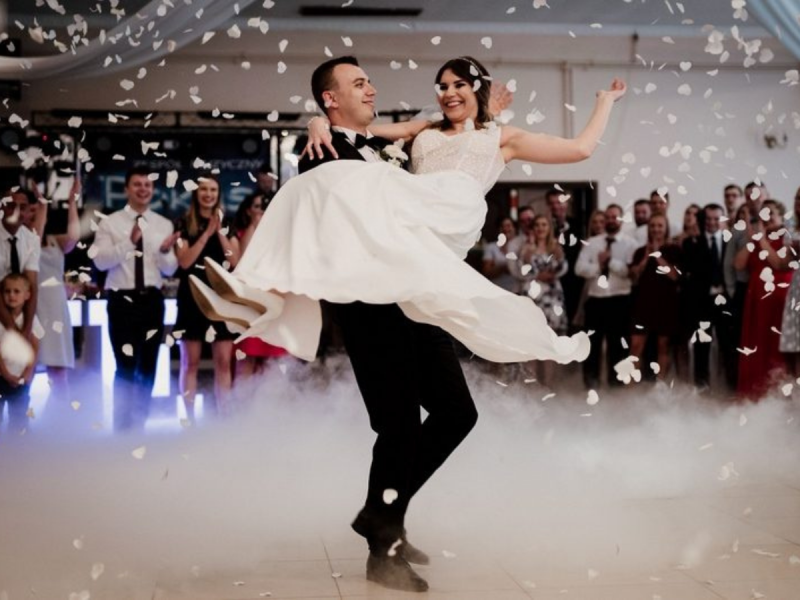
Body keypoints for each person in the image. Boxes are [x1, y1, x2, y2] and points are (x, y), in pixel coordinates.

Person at [192, 55, 625, 592]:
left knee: (456, 412)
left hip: (422, 292)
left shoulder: (396, 147)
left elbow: (568, 147)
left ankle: (383, 514)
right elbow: (326, 212)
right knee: (396, 425)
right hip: (372, 303)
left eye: (459, 84)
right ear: (332, 99)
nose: (372, 89)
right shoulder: (332, 150)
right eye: (359, 83)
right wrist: (316, 124)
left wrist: (597, 103)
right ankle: (384, 546)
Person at [91, 166, 180, 432]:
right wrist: (129, 243)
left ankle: (140, 424)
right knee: (125, 365)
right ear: (127, 189)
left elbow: (170, 269)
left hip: (152, 300)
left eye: (147, 185)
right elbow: (100, 261)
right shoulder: (110, 223)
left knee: (149, 364)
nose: (143, 189)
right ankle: (122, 427)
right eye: (137, 184)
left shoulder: (163, 224)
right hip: (122, 300)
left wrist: (165, 252)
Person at [173, 174, 240, 419]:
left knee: (223, 362)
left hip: (221, 300)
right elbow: (184, 261)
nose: (208, 194)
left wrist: (219, 231)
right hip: (192, 298)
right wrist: (206, 233)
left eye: (213, 189)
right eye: (203, 189)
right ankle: (189, 419)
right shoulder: (183, 222)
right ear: (196, 193)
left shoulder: (228, 222)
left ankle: (225, 418)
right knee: (190, 363)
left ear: (218, 194)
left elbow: (235, 261)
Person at [24, 180, 81, 409]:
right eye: (30, 209)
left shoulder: (54, 240)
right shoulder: (21, 241)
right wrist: (44, 206)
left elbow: (74, 236)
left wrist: (72, 203)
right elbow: (34, 240)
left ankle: (59, 419)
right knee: (26, 370)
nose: (33, 213)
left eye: (36, 209)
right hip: (31, 307)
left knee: (58, 371)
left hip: (55, 307)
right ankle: (22, 419)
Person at [575, 204, 638, 388]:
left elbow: (629, 272)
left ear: (621, 219)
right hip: (596, 299)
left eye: (614, 217)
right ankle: (590, 386)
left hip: (620, 299)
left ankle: (616, 387)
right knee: (592, 346)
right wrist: (598, 266)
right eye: (608, 217)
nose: (611, 220)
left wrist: (610, 262)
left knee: (618, 346)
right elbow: (579, 268)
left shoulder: (630, 244)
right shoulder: (592, 242)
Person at [734, 199, 791, 399]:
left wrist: (762, 240)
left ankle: (778, 392)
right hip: (756, 299)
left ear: (781, 217)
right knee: (756, 344)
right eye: (763, 214)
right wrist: (752, 241)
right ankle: (754, 392)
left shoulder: (786, 236)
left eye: (771, 213)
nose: (766, 218)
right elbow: (739, 265)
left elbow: (778, 262)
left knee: (775, 344)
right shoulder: (757, 239)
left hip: (778, 297)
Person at [231, 193, 287, 379]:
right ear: (248, 210)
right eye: (256, 206)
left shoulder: (279, 235)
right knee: (248, 356)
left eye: (265, 207)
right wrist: (254, 225)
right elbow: (244, 259)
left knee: (274, 361)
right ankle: (243, 395)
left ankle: (269, 395)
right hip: (250, 304)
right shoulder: (242, 233)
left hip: (274, 301)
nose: (261, 210)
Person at [681, 203, 736, 390]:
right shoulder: (691, 243)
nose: (712, 222)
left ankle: (731, 389)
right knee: (701, 348)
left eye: (716, 219)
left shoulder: (730, 242)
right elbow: (689, 274)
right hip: (702, 303)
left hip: (725, 301)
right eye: (708, 219)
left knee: (728, 346)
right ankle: (701, 390)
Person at [515, 214, 568, 387]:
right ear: (533, 228)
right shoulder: (526, 248)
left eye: (544, 224)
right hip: (533, 296)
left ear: (549, 228)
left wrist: (555, 266)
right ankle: (532, 385)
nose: (540, 228)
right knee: (532, 339)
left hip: (552, 297)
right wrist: (537, 274)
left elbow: (563, 268)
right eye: (537, 225)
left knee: (549, 340)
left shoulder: (556, 247)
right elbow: (521, 270)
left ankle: (548, 384)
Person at [628, 214, 682, 380]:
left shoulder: (674, 250)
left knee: (663, 346)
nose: (656, 229)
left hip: (666, 303)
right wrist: (646, 257)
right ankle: (631, 386)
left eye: (660, 226)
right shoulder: (639, 251)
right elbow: (634, 277)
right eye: (652, 226)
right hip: (643, 304)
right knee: (635, 346)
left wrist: (658, 255)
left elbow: (674, 276)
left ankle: (660, 385)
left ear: (666, 228)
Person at [0, 273, 42, 432]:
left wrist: (27, 373)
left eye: (16, 291)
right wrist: (6, 375)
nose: (11, 295)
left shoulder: (31, 319)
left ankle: (18, 444)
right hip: (2, 376)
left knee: (19, 419)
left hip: (22, 379)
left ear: (27, 295)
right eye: (7, 291)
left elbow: (35, 347)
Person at [0, 189, 40, 339]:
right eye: (11, 206)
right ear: (2, 207)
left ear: (28, 211)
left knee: (35, 338)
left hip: (18, 307)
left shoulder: (32, 240)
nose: (17, 212)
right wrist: (13, 331)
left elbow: (31, 286)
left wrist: (27, 330)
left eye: (22, 207)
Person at [545, 187, 582, 327]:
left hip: (573, 281)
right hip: (549, 281)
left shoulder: (578, 225)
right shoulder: (543, 227)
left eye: (559, 202)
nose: (556, 206)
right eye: (552, 203)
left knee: (572, 320)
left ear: (566, 204)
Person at [571, 209, 606, 329]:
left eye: (601, 222)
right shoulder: (589, 242)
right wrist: (598, 267)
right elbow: (579, 268)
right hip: (591, 287)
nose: (598, 225)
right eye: (595, 222)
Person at [780, 186, 800, 375]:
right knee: (795, 346)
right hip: (797, 287)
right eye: (797, 198)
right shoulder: (791, 227)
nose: (799, 202)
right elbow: (784, 264)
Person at [482, 216, 519, 293]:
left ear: (514, 228)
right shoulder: (491, 247)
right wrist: (503, 268)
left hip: (516, 291)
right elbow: (486, 272)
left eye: (508, 226)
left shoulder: (521, 247)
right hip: (496, 290)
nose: (505, 229)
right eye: (502, 226)